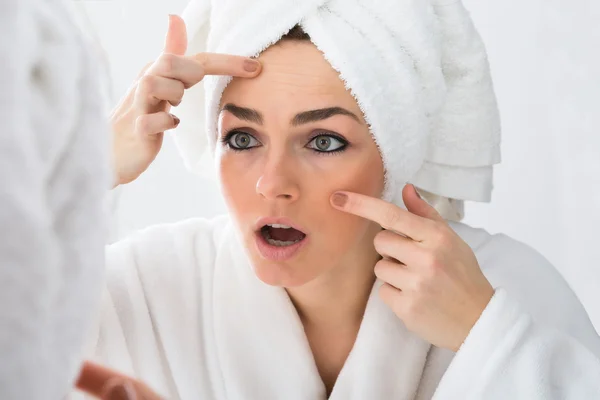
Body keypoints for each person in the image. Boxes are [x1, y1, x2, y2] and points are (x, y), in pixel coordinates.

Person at [76, 2, 600, 399]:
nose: (272, 183)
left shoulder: (507, 290)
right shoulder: (147, 287)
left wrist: (486, 332)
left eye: (324, 141)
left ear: (395, 153)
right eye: (242, 138)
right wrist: (83, 172)